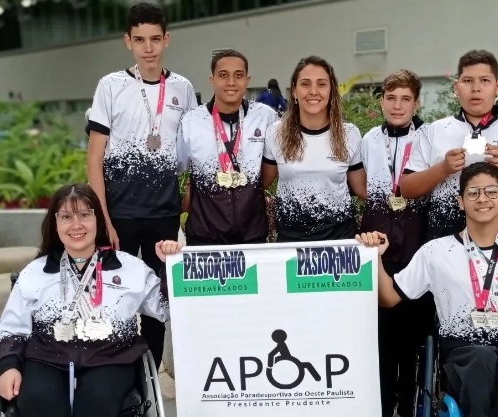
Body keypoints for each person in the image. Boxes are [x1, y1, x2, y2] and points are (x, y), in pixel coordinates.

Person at [358, 162, 498, 417]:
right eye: (473, 193)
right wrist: (375, 258)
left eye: (491, 192)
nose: (482, 199)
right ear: (461, 202)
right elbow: (388, 298)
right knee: (480, 362)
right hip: (463, 354)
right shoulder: (436, 252)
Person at [0, 184, 182, 417]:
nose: (76, 225)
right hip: (47, 358)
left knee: (97, 404)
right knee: (38, 403)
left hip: (111, 357)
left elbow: (166, 308)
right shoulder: (36, 272)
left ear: (98, 220)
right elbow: (10, 328)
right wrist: (8, 366)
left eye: (85, 215)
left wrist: (171, 266)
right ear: (55, 223)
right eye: (66, 217)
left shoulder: (129, 268)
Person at [86, 2, 196, 366]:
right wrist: (104, 220)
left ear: (167, 39)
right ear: (127, 42)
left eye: (154, 39)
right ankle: (112, 372)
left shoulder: (182, 88)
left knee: (156, 304)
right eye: (139, 40)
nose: (148, 48)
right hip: (119, 215)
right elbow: (94, 159)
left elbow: (193, 153)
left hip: (163, 216)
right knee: (111, 301)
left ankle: (148, 377)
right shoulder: (111, 86)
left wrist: (186, 204)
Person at [400, 50, 498, 243]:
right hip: (445, 248)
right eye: (467, 81)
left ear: (497, 87)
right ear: (456, 87)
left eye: (485, 80)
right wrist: (443, 169)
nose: (476, 88)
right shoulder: (435, 131)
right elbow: (406, 188)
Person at [359, 69, 432, 417]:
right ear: (382, 101)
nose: (398, 105)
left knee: (413, 349)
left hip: (417, 253)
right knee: (381, 348)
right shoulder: (369, 139)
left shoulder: (430, 138)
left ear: (416, 102)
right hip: (379, 251)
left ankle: (410, 409)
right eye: (391, 98)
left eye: (405, 99)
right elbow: (357, 186)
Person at [177, 49, 278, 245]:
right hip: (204, 236)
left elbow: (275, 165)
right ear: (212, 79)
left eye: (238, 75)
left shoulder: (265, 117)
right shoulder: (191, 121)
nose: (231, 82)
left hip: (252, 235)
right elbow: (178, 167)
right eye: (223, 75)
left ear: (247, 80)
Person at [262, 56, 366, 242]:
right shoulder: (276, 133)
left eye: (322, 84)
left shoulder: (349, 134)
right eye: (305, 84)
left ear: (332, 90)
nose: (313, 91)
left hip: (340, 242)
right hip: (291, 243)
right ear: (294, 91)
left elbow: (363, 189)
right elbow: (261, 184)